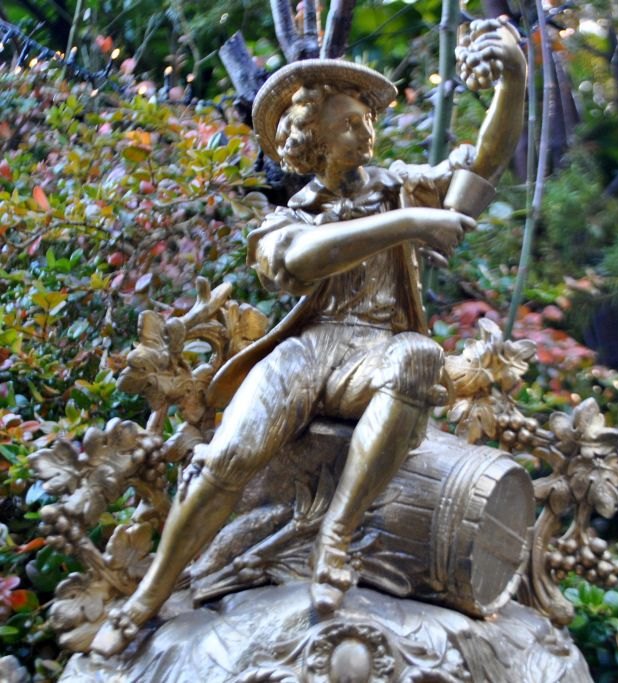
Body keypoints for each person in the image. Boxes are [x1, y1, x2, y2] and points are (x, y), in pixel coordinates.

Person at [92, 18, 526, 656]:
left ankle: (336, 539)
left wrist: (513, 79)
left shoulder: (400, 187)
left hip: (376, 350)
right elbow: (298, 263)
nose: (366, 132)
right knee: (226, 459)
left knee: (418, 356)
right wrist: (406, 224)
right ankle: (148, 595)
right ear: (313, 140)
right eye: (349, 123)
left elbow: (480, 170)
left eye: (367, 120)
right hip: (311, 350)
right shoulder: (287, 219)